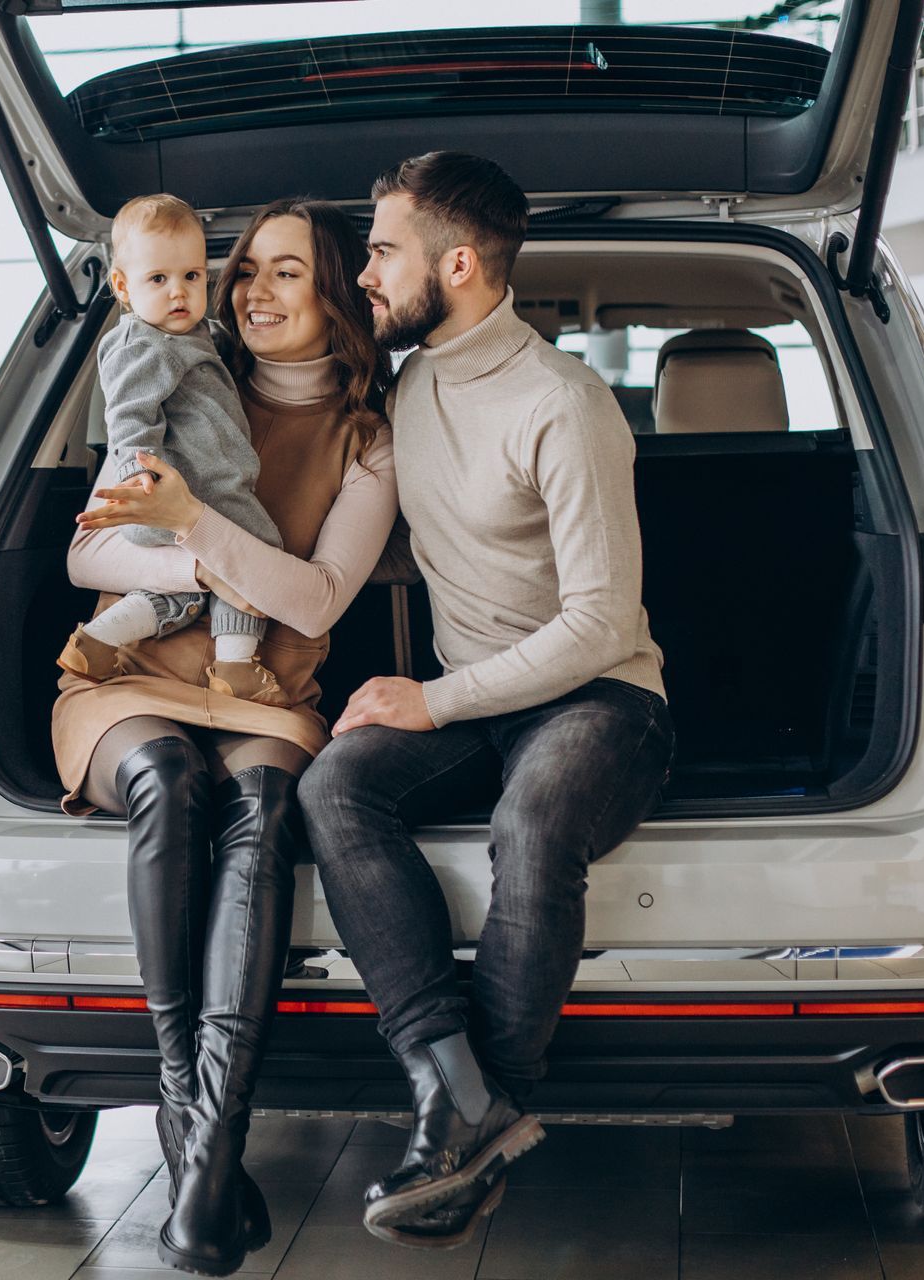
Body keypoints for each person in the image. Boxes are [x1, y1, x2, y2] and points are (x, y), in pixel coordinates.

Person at [299, 152, 675, 1247]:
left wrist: (434, 697)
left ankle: (471, 1111)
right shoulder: (410, 386)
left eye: (381, 251)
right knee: (335, 786)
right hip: (476, 703)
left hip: (604, 700)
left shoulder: (565, 403)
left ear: (456, 264)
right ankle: (457, 1089)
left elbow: (602, 623)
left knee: (533, 815)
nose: (365, 275)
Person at [55, 197, 398, 1276]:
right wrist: (176, 562)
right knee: (164, 775)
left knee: (255, 806)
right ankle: (193, 1128)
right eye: (242, 267)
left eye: (283, 271)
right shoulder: (180, 369)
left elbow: (315, 599)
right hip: (131, 680)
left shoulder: (369, 440)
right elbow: (85, 560)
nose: (248, 288)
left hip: (265, 685)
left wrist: (198, 529)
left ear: (337, 293)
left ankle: (207, 1154)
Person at [57, 193, 288, 705]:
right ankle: (235, 665)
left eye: (192, 276)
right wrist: (139, 474)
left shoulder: (194, 335)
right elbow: (128, 413)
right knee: (257, 553)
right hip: (188, 493)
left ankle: (99, 638)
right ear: (122, 287)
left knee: (179, 594)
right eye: (158, 280)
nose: (179, 293)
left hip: (183, 496)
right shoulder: (144, 344)